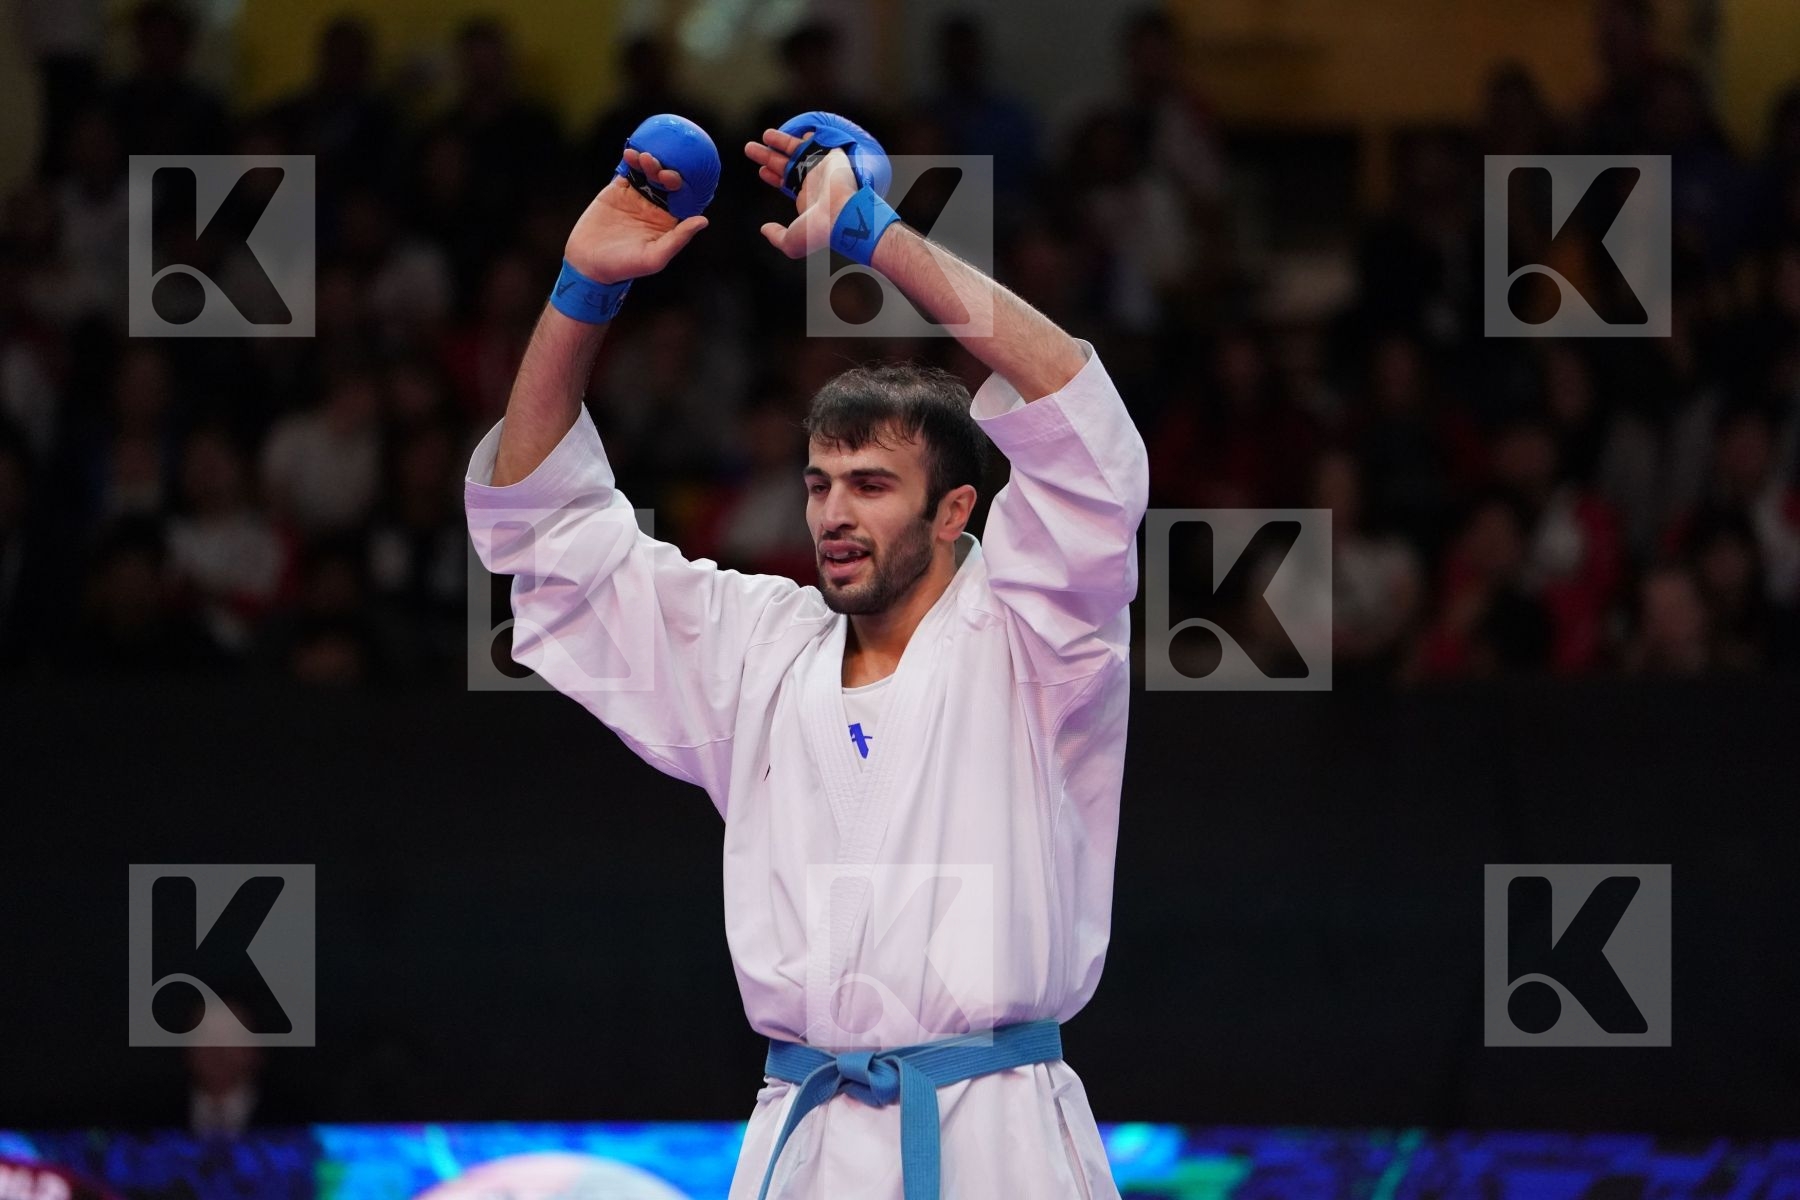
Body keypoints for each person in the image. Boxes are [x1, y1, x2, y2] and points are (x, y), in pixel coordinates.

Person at [464, 113, 1146, 1199]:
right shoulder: (759, 654)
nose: (833, 513)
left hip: (998, 1140)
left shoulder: (1038, 637)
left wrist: (878, 238)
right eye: (820, 484)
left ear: (957, 509)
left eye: (871, 486)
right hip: (808, 1139)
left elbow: (1087, 430)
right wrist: (581, 293)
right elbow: (546, 535)